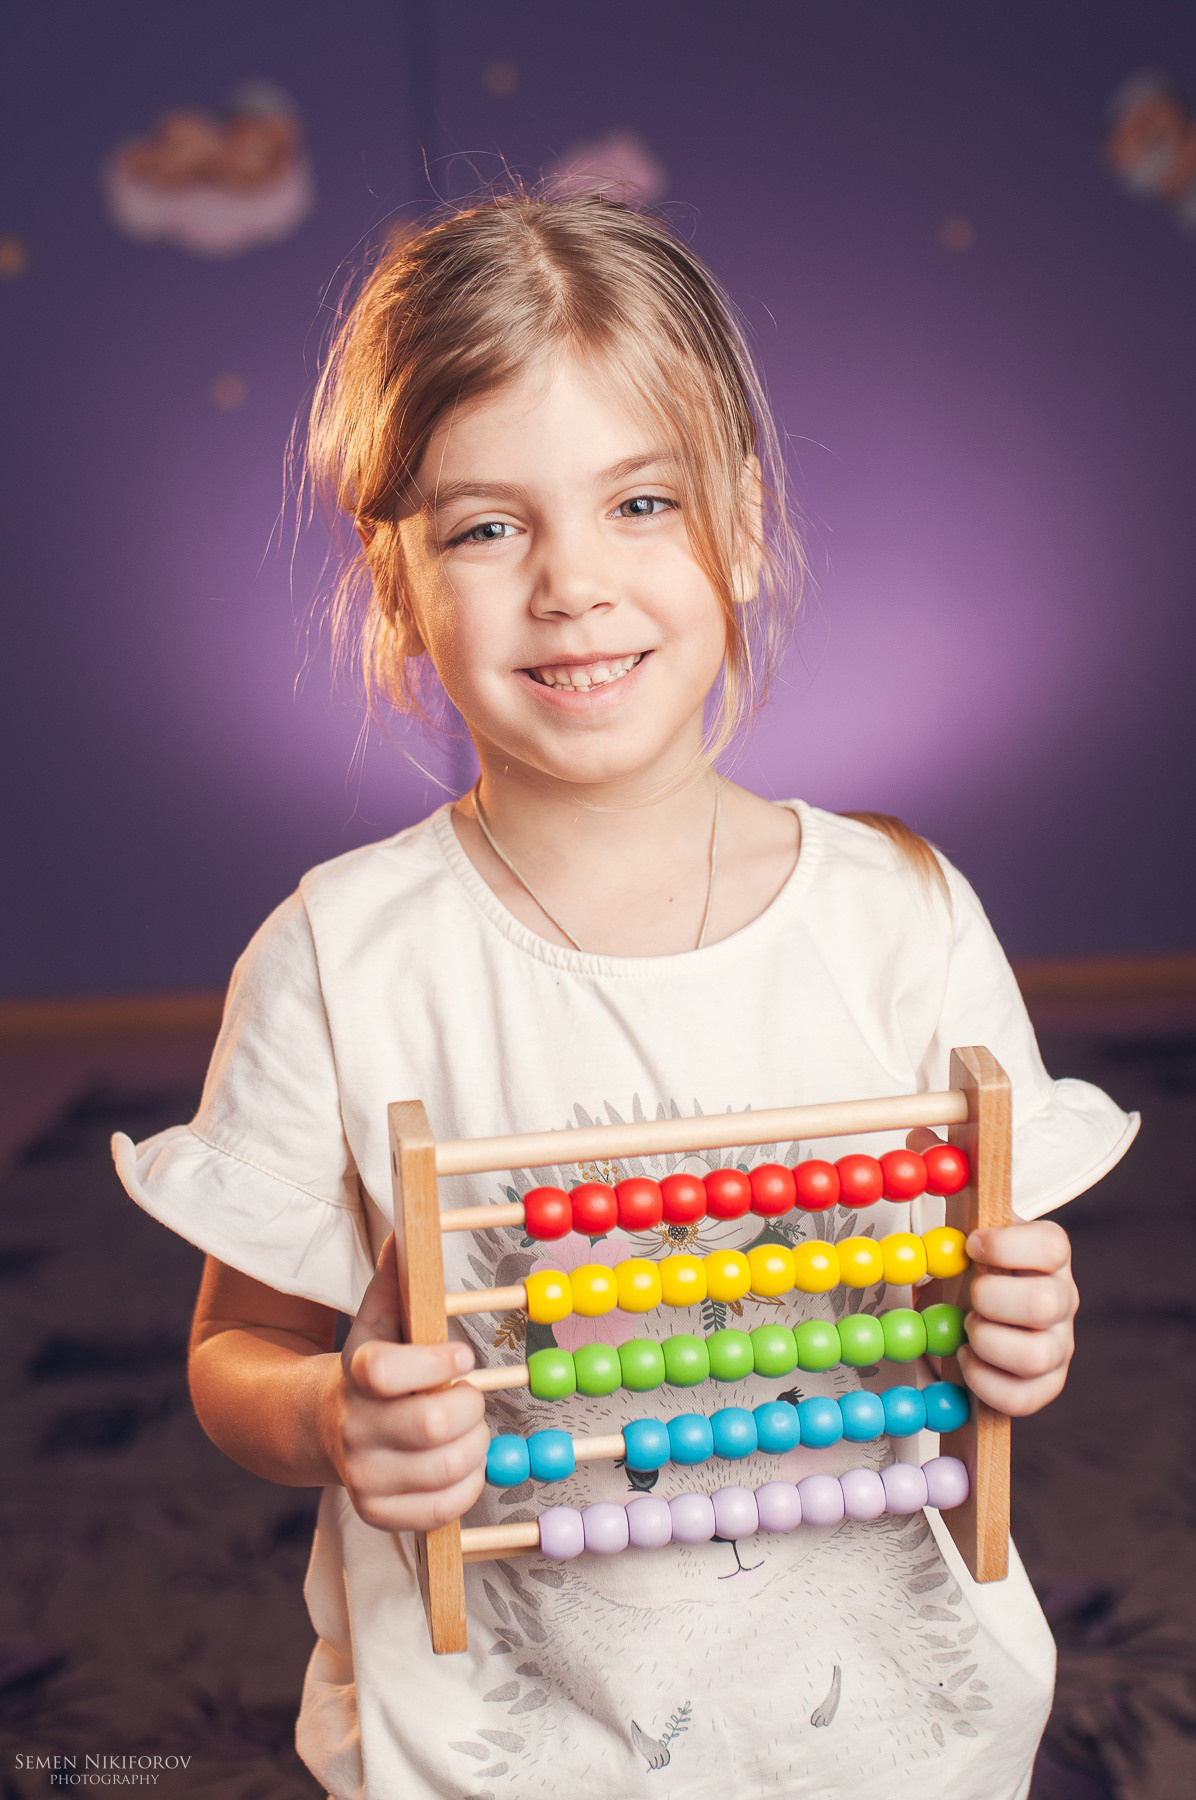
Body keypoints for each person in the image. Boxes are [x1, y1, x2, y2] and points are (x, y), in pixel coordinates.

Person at [112, 194, 1138, 1800]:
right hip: (505, 1748)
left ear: (738, 519)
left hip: (888, 1739)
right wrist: (330, 1419)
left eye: (638, 502)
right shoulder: (343, 957)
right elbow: (237, 1350)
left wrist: (1024, 1328)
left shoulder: (905, 922)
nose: (572, 584)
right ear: (395, 576)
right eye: (484, 526)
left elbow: (997, 1297)